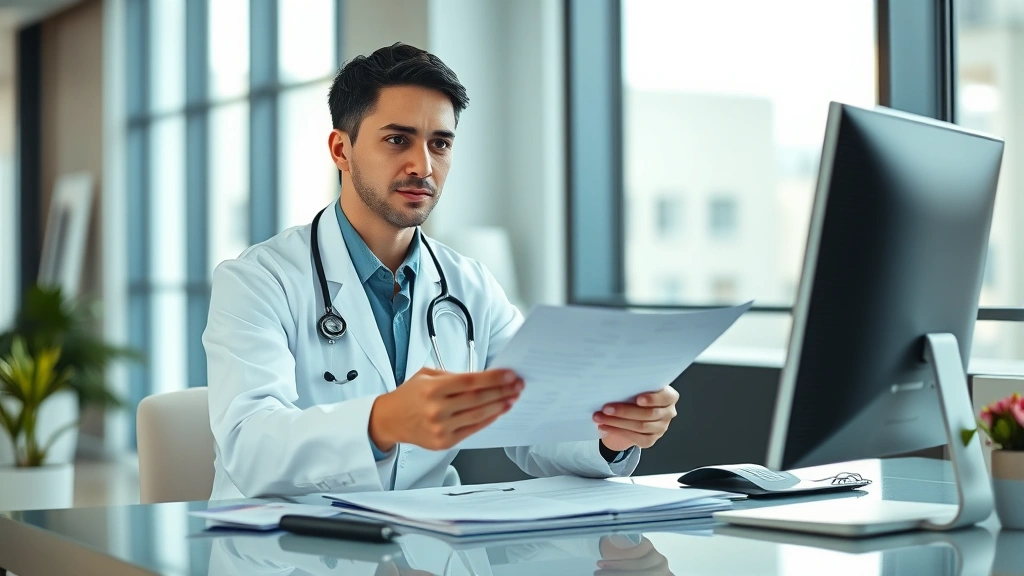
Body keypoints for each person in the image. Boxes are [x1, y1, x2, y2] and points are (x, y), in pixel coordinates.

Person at [203, 43, 679, 500]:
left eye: (440, 143)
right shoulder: (257, 281)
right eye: (397, 139)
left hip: (428, 544)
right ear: (341, 150)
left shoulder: (469, 285)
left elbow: (535, 422)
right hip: (283, 549)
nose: (423, 166)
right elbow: (250, 446)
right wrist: (381, 421)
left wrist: (609, 433)